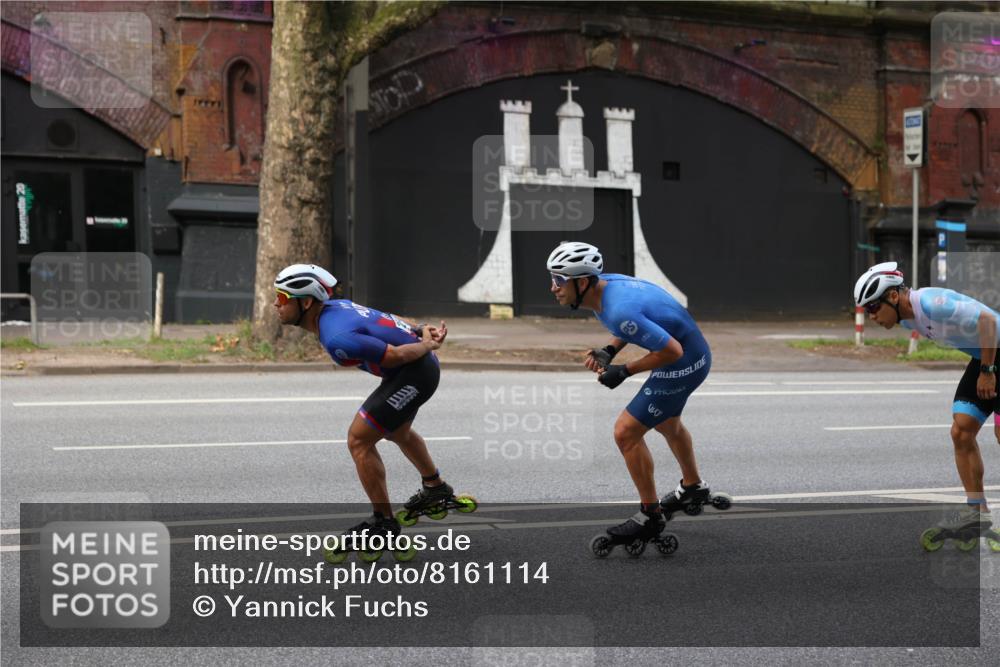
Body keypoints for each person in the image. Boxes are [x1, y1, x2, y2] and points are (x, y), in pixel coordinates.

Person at [547, 241, 726, 546]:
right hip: (692, 353)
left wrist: (624, 370)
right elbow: (637, 323)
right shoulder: (604, 290)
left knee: (625, 432)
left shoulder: (617, 308)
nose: (553, 287)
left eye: (560, 280)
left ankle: (650, 516)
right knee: (667, 423)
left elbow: (671, 350)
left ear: (581, 281)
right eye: (553, 278)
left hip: (683, 360)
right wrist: (609, 350)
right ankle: (693, 486)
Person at [273, 263, 464, 550]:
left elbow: (396, 355)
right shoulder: (337, 307)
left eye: (284, 297)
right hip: (411, 369)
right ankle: (435, 488)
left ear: (307, 302)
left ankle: (383, 523)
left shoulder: (337, 336)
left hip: (414, 371)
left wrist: (425, 344)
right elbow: (387, 319)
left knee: (358, 440)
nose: (276, 303)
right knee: (397, 432)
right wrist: (419, 328)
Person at [854, 261, 999, 533]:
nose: (872, 316)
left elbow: (988, 321)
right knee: (961, 431)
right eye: (867, 310)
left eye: (873, 307)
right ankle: (977, 512)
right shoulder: (905, 317)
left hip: (992, 355)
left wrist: (988, 371)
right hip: (986, 356)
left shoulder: (934, 303)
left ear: (894, 296)